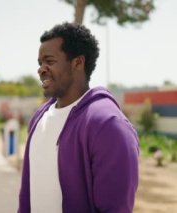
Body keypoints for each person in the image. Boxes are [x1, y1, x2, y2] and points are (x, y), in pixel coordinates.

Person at [18, 22, 139, 213]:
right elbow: (28, 194)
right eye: (40, 63)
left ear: (78, 63)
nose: (41, 69)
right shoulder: (38, 119)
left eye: (49, 61)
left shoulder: (108, 124)